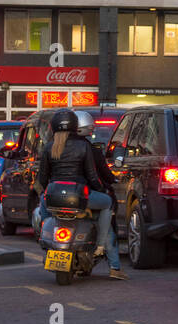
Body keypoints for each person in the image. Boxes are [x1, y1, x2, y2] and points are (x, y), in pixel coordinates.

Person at [36, 109, 124, 280]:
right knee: (107, 203)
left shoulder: (49, 147)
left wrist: (47, 192)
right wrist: (101, 189)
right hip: (78, 198)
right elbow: (92, 176)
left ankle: (45, 238)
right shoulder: (84, 146)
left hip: (54, 197)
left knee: (43, 205)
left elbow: (42, 178)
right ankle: (99, 246)